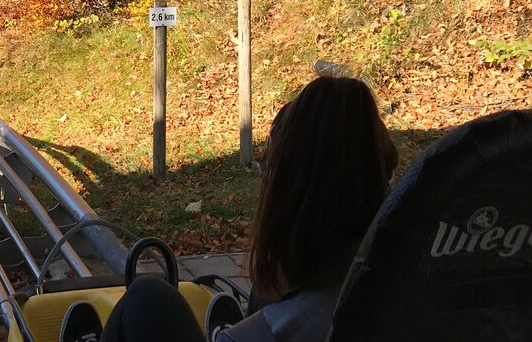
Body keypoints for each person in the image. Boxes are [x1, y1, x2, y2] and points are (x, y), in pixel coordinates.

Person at [60, 75, 398, 342]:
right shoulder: (412, 282)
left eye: (266, 168)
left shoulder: (274, 330)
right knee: (262, 298)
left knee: (147, 297)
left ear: (286, 198)